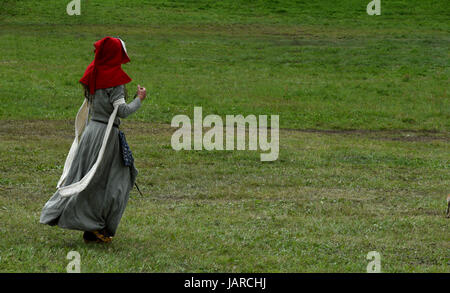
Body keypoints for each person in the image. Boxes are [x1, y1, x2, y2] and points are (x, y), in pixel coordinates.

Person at [40, 36, 147, 243]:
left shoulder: (95, 74)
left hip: (92, 133)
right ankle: (96, 226)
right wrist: (139, 99)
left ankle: (92, 226)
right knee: (111, 182)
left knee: (91, 179)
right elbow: (122, 111)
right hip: (105, 137)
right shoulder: (113, 79)